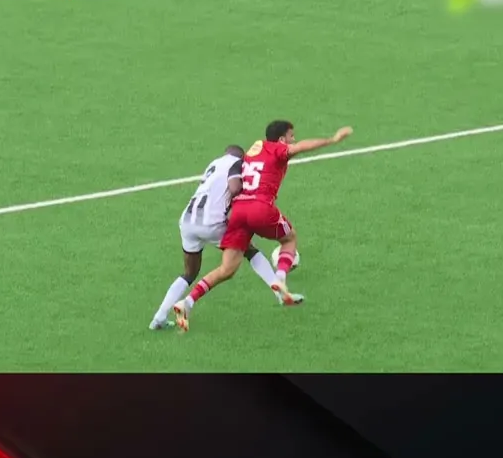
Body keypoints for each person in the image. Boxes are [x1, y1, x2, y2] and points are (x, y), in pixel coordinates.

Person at [173, 121, 352, 332]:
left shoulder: (253, 151)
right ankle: (281, 280)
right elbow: (300, 147)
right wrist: (332, 139)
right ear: (282, 139)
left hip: (239, 211)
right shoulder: (277, 149)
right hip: (260, 207)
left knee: (227, 269)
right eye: (291, 136)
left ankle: (187, 302)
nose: (293, 140)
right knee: (289, 238)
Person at [150, 145, 303, 331]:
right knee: (249, 251)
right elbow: (235, 188)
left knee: (189, 272)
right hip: (213, 222)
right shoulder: (239, 165)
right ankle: (279, 290)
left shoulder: (213, 164)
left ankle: (159, 317)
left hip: (188, 221)